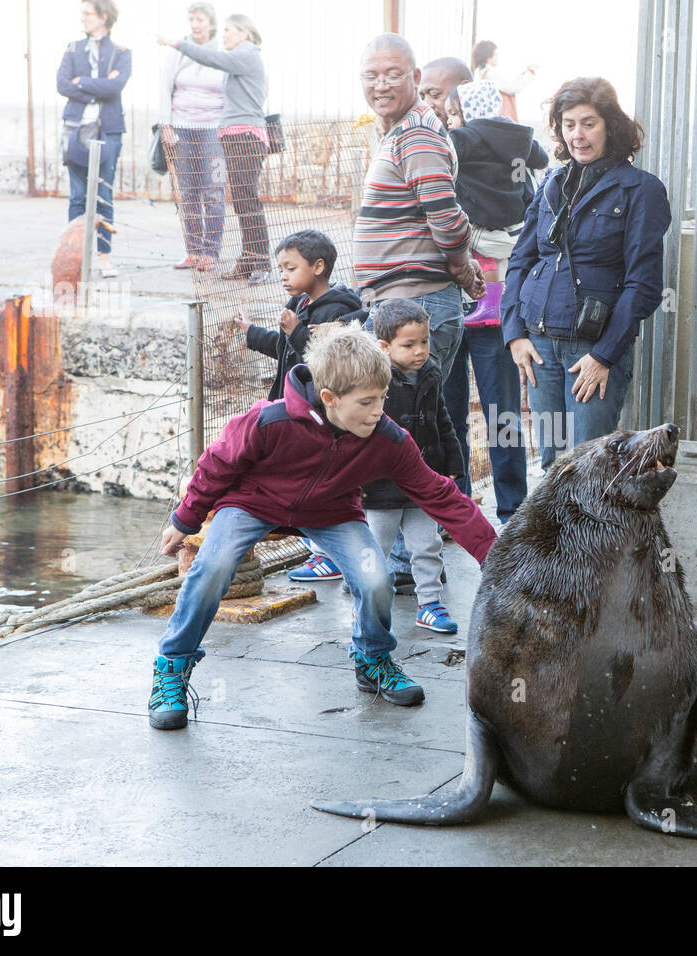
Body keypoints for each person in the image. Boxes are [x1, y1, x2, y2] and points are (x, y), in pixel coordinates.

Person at [150, 326, 497, 726]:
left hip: (333, 511)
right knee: (211, 569)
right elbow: (217, 464)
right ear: (330, 398)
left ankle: (372, 658)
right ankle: (172, 667)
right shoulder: (269, 421)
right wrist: (185, 519)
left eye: (382, 398)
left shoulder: (386, 438)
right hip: (251, 503)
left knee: (376, 579)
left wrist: (494, 555)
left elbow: (440, 494)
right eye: (366, 402)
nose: (379, 411)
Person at [354, 34, 485, 587]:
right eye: (371, 74)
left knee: (409, 427)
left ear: (413, 79)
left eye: (392, 74)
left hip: (419, 305)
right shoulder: (397, 134)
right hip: (399, 304)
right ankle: (402, 561)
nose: (381, 84)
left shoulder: (419, 134)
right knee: (399, 425)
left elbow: (446, 216)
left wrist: (461, 267)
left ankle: (405, 563)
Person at [501, 77, 672, 471]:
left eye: (589, 123)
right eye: (569, 124)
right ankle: (553, 537)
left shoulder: (640, 190)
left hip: (590, 352)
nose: (578, 135)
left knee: (588, 468)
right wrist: (514, 334)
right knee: (551, 463)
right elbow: (520, 261)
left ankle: (591, 536)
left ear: (610, 124)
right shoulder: (551, 184)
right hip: (539, 348)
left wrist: (604, 356)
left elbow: (643, 286)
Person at [441, 76, 548, 522]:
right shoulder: (520, 140)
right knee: (500, 412)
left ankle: (460, 505)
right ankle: (511, 510)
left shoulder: (453, 143)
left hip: (454, 298)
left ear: (462, 111)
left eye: (449, 111)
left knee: (452, 414)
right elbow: (539, 160)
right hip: (499, 293)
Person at [357, 300, 464, 634]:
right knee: (375, 549)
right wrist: (355, 479)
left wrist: (452, 461)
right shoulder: (372, 381)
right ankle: (368, 609)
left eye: (425, 342)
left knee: (427, 545)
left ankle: (430, 604)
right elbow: (358, 431)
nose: (420, 351)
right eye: (409, 345)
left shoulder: (430, 372)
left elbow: (441, 419)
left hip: (422, 480)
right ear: (384, 346)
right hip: (380, 485)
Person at [159, 13, 269, 282]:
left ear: (244, 32)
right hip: (234, 135)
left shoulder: (247, 54)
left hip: (246, 137)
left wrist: (177, 43)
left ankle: (261, 263)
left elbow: (212, 58)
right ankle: (248, 261)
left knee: (247, 202)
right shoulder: (242, 57)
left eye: (230, 30)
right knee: (243, 202)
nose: (225, 35)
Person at [233, 230, 363, 402]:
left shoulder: (336, 312)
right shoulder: (299, 302)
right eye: (281, 270)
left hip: (314, 407)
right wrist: (252, 332)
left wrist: (296, 333)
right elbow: (287, 350)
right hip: (293, 399)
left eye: (291, 269)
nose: (283, 277)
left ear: (318, 267)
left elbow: (327, 363)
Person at [58, 0, 131, 279]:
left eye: (86, 13)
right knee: (78, 195)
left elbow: (114, 88)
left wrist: (82, 82)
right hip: (75, 127)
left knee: (103, 195)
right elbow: (62, 84)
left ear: (103, 17)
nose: (82, 19)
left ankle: (103, 258)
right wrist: (94, 86)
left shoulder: (122, 53)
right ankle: (74, 256)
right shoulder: (72, 48)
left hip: (108, 129)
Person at [158, 2, 225, 271]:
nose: (196, 25)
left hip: (213, 131)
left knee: (213, 192)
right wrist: (166, 125)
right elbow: (165, 88)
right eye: (192, 20)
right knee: (188, 193)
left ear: (211, 23)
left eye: (201, 20)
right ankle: (193, 251)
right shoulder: (179, 51)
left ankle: (212, 251)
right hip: (182, 129)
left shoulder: (222, 51)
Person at [471, 40, 535, 122]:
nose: (497, 56)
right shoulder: (491, 74)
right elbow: (514, 88)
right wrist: (530, 73)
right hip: (502, 119)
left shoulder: (482, 74)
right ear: (488, 56)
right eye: (495, 53)